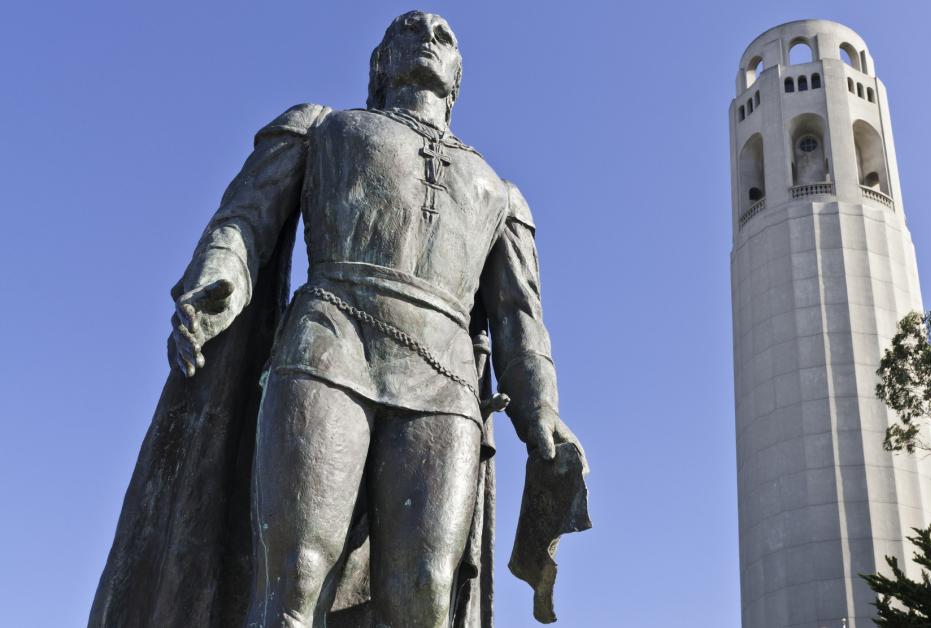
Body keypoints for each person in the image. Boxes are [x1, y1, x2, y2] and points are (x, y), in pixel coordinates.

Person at [90, 11, 586, 628]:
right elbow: (244, 220)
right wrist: (218, 278)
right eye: (409, 29)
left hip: (445, 381)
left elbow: (519, 317)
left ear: (458, 76)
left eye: (444, 36)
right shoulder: (323, 128)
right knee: (296, 571)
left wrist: (541, 412)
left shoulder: (500, 193)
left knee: (425, 592)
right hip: (329, 343)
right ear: (380, 63)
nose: (428, 38)